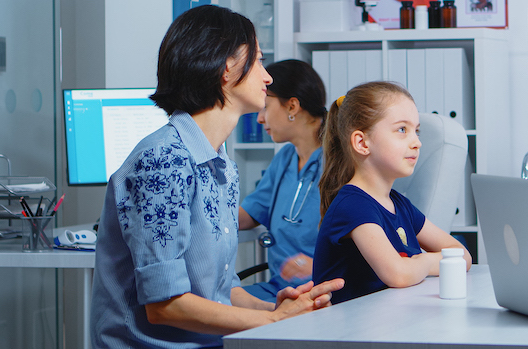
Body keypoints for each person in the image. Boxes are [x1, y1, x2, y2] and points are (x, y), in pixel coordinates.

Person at [90, 6, 343, 348]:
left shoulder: (219, 164)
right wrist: (272, 320)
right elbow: (166, 306)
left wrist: (280, 309)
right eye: (258, 62)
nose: (267, 78)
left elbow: (222, 291)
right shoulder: (163, 161)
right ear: (227, 68)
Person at [312, 81, 472, 304]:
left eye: (417, 131)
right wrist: (426, 262)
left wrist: (418, 263)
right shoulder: (353, 206)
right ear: (362, 142)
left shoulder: (399, 204)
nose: (417, 142)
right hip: (348, 333)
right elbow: (398, 274)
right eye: (402, 130)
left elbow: (462, 255)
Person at [238, 59, 327, 302]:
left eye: (265, 106)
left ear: (292, 106)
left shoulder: (340, 163)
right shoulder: (285, 158)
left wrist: (322, 264)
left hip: (321, 290)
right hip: (278, 288)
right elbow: (248, 215)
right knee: (212, 304)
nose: (259, 118)